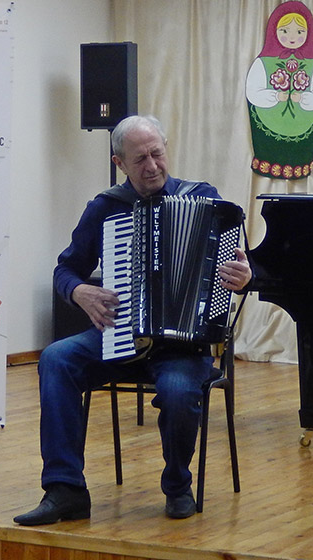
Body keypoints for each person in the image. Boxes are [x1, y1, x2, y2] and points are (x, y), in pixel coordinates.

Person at [14, 115, 252, 525]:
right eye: (140, 159)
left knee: (177, 390)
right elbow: (65, 270)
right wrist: (79, 291)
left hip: (183, 346)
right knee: (56, 358)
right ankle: (65, 490)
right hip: (118, 335)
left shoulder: (204, 200)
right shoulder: (106, 208)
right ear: (119, 163)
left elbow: (244, 268)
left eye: (157, 154)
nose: (152, 165)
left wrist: (245, 277)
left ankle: (177, 485)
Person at [245, 0, 313, 180]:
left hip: (303, 125)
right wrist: (275, 96)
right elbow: (253, 92)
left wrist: (304, 99)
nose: (292, 37)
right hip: (268, 123)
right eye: (284, 31)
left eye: (299, 32)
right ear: (273, 31)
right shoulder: (262, 62)